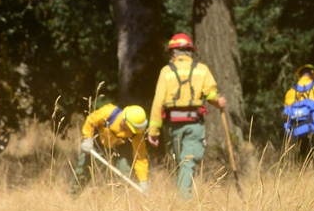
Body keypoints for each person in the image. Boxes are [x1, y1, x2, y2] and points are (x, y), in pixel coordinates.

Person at [147, 33, 226, 200]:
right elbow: (211, 95)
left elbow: (158, 102)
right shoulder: (201, 70)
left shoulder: (166, 72)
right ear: (190, 51)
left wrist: (153, 131)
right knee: (187, 162)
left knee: (180, 163)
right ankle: (184, 200)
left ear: (173, 52)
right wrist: (219, 101)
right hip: (194, 124)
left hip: (172, 125)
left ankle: (182, 198)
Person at [69, 104, 149, 194]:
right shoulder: (109, 112)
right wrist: (88, 138)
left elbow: (140, 157)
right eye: (131, 128)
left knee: (124, 172)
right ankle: (72, 197)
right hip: (96, 144)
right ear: (124, 120)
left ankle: (118, 202)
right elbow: (91, 120)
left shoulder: (136, 133)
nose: (131, 131)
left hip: (118, 149)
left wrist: (143, 180)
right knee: (84, 170)